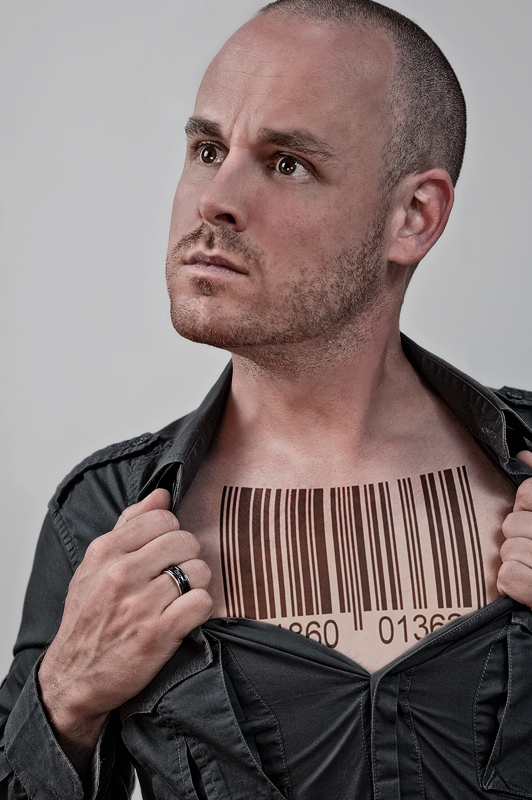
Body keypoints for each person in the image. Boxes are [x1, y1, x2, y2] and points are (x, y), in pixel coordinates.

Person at [2, 0, 532, 797]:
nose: (214, 200)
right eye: (208, 149)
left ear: (413, 217)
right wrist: (67, 697)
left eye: (287, 163)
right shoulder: (105, 519)